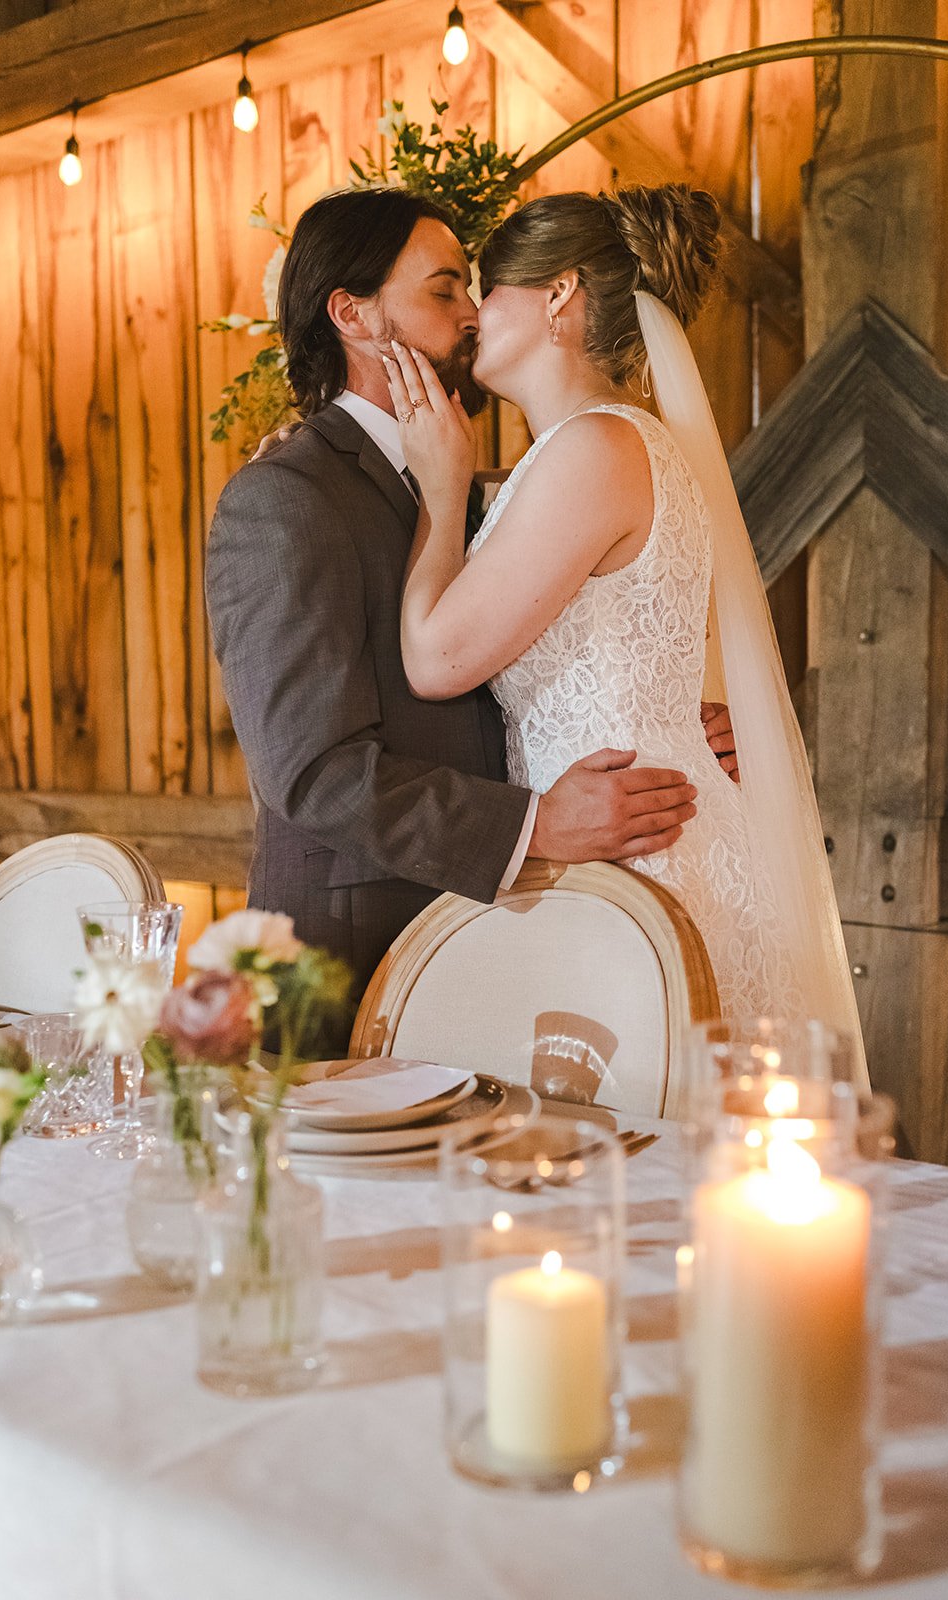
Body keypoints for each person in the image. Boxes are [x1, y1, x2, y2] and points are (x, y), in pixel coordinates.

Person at [206, 186, 731, 1051]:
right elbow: (310, 773)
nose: (472, 314)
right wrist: (534, 825)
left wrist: (672, 720)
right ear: (353, 313)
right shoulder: (284, 499)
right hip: (351, 945)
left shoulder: (497, 486)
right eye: (445, 290)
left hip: (508, 932)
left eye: (476, 290)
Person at [389, 185, 866, 1072]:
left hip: (639, 860)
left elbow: (435, 657)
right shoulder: (594, 450)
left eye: (490, 288)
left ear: (559, 295)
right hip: (617, 837)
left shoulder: (592, 451)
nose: (472, 317)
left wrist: (443, 484)